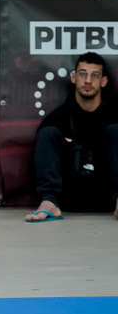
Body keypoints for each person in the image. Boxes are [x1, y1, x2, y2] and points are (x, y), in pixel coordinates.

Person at [24, 51, 118, 222]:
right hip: (67, 199)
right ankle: (49, 202)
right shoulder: (56, 119)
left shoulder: (114, 116)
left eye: (94, 75)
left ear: (103, 81)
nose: (88, 80)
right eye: (83, 74)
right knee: (48, 133)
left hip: (108, 200)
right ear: (74, 78)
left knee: (116, 131)